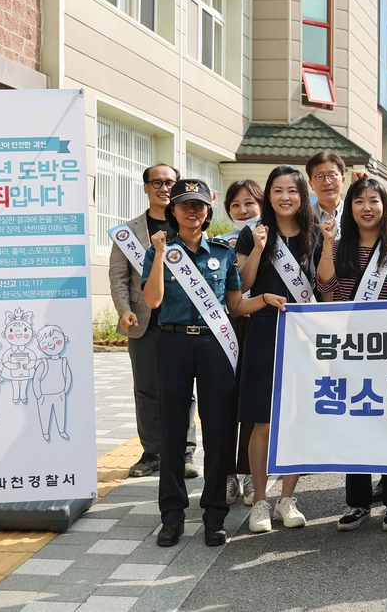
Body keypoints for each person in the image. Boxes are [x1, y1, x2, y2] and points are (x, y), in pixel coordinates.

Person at [142, 179, 261, 547]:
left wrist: (266, 299)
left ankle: (214, 515)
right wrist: (160, 254)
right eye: (183, 205)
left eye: (198, 205)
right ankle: (172, 516)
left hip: (214, 345)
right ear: (172, 211)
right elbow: (153, 301)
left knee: (219, 430)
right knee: (173, 431)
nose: (192, 211)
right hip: (173, 342)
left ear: (208, 211)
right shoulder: (160, 250)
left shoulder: (223, 253)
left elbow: (236, 305)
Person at [316, 177, 387, 534]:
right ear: (351, 209)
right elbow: (325, 286)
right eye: (359, 201)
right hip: (350, 352)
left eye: (374, 200)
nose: (366, 207)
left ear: (383, 207)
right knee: (354, 423)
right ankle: (358, 502)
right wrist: (327, 242)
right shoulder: (340, 246)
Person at [234, 166, 323, 534]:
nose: (285, 197)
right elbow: (243, 284)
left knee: (297, 418)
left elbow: (326, 284)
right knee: (263, 421)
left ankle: (288, 498)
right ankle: (259, 500)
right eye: (277, 190)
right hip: (266, 330)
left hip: (303, 333)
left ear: (302, 195)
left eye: (293, 190)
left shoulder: (315, 233)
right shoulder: (253, 232)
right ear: (268, 195)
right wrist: (256, 248)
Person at [107, 163, 198, 480]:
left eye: (170, 182)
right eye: (156, 182)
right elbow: (118, 276)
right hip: (144, 322)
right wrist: (122, 309)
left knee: (184, 389)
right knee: (146, 389)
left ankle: (185, 453)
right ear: (145, 187)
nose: (163, 187)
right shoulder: (128, 231)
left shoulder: (189, 221)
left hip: (184, 321)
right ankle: (153, 453)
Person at [222, 179, 263, 508]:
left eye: (249, 202)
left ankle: (248, 472)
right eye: (235, 205)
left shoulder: (270, 235)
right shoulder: (219, 243)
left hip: (259, 323)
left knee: (252, 399)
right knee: (225, 399)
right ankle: (226, 473)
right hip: (230, 325)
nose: (242, 210)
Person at [307, 151, 347, 227]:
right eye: (320, 176)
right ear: (311, 184)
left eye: (332, 175)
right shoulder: (305, 219)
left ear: (342, 180)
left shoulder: (355, 215)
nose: (327, 182)